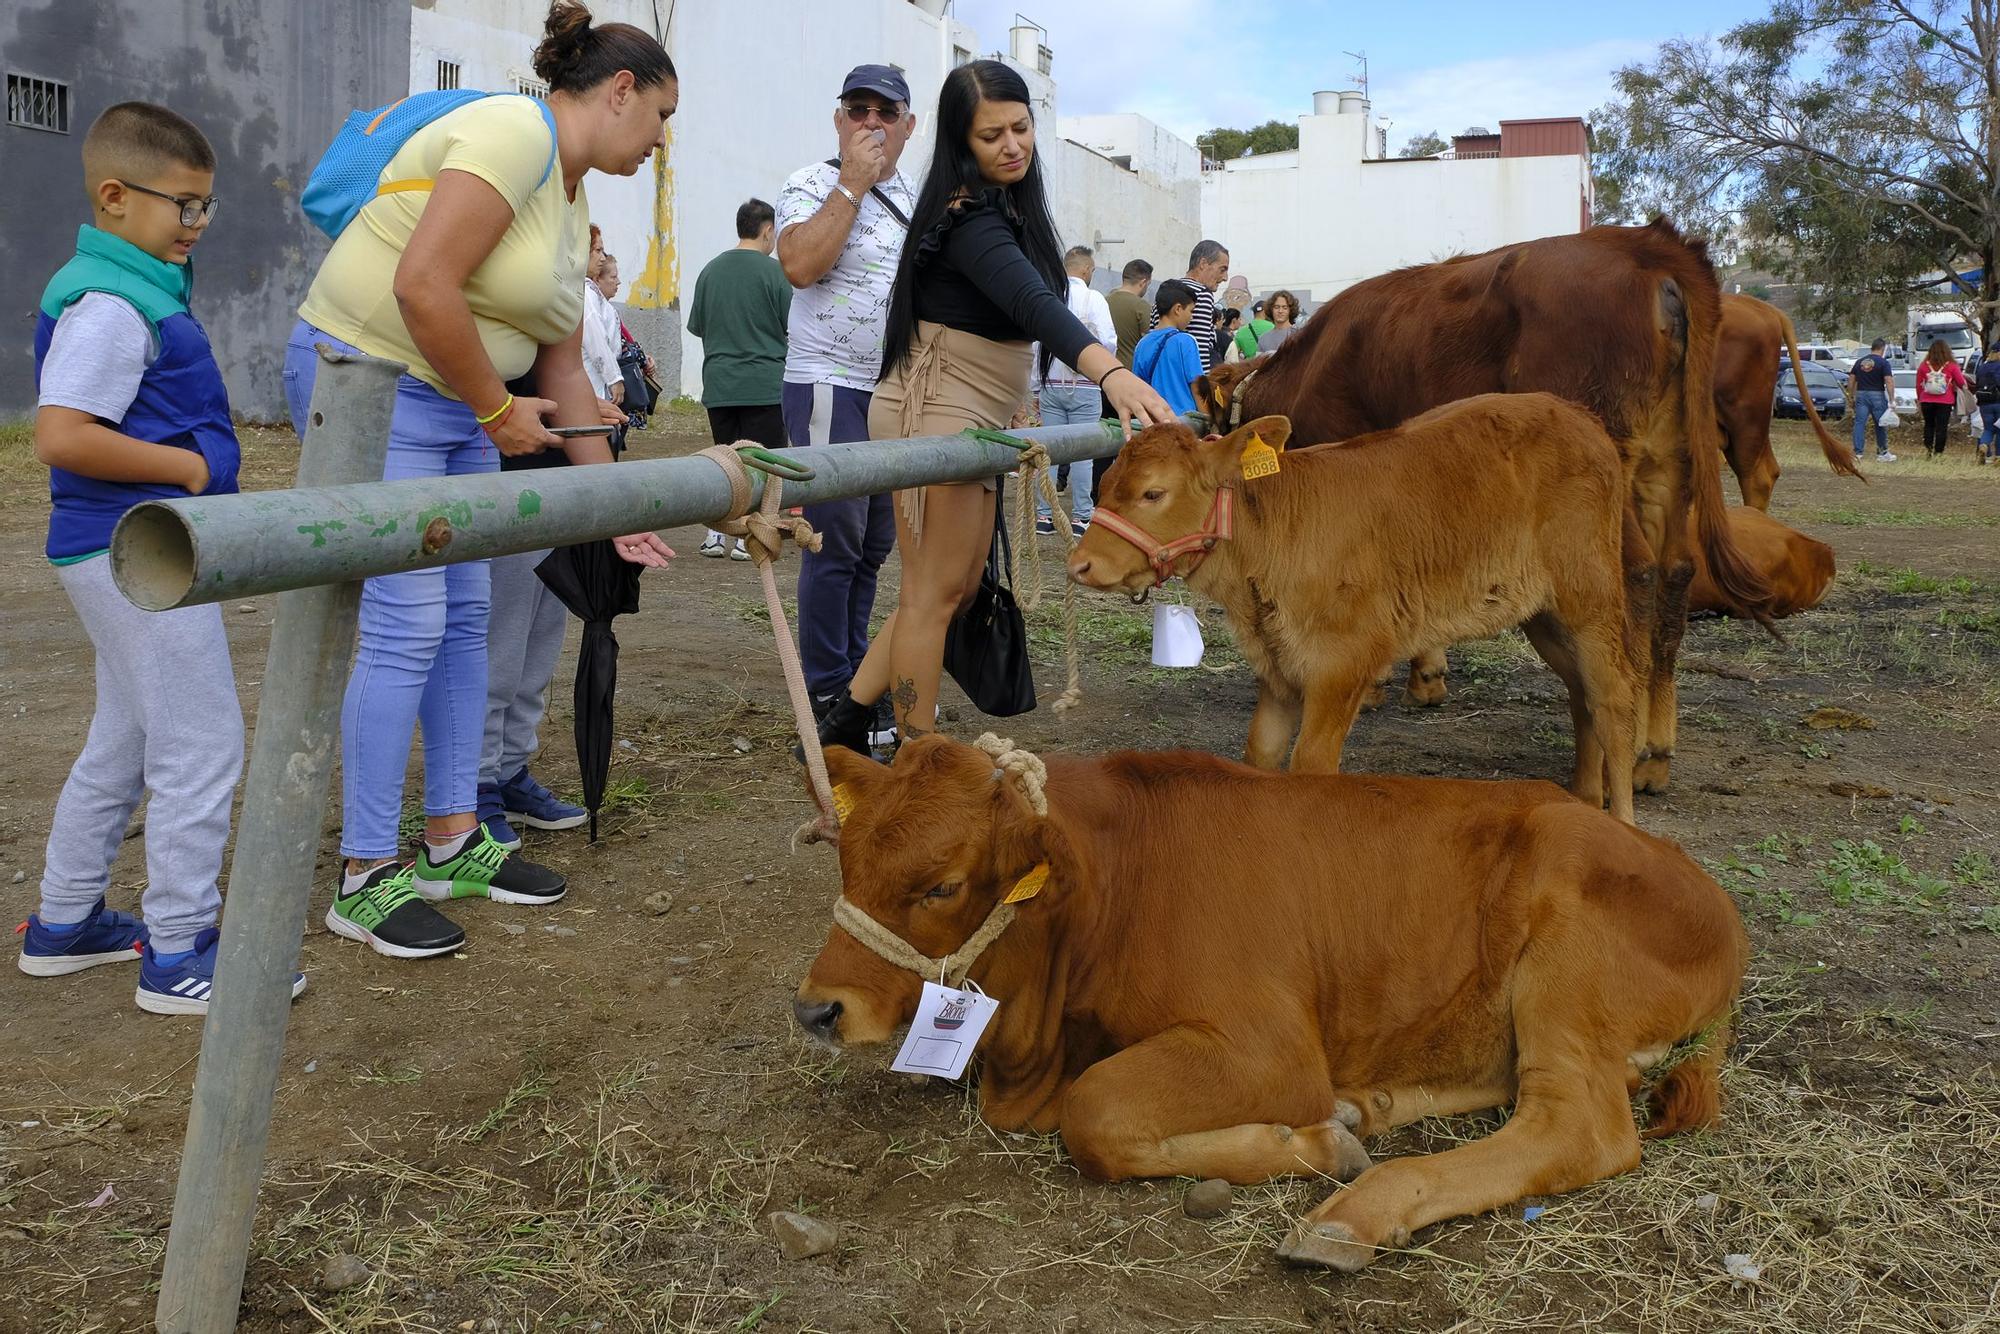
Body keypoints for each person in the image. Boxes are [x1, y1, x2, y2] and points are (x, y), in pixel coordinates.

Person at [284, 1, 677, 959]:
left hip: (455, 400)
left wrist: (606, 508)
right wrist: (498, 415)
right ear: (619, 91)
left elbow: (562, 364)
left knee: (463, 614)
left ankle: (453, 838)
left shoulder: (570, 192)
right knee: (407, 619)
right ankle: (365, 874)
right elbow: (423, 283)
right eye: (661, 118)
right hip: (370, 380)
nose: (662, 142)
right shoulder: (511, 133)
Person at [19, 103, 300, 1015]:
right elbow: (61, 436)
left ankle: (64, 925)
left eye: (205, 208)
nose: (196, 226)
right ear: (114, 197)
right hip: (132, 553)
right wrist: (190, 467)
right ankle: (178, 951)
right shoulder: (110, 303)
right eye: (184, 206)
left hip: (121, 549)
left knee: (130, 736)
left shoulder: (129, 285)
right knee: (202, 742)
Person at [810, 59, 1175, 754]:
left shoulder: (1008, 208)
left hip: (969, 408)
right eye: (990, 136)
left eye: (1021, 128)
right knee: (934, 594)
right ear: (960, 142)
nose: (1011, 145)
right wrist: (1110, 372)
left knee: (951, 589)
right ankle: (919, 755)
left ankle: (845, 724)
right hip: (934, 405)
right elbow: (1033, 305)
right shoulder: (968, 214)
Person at [473, 223, 634, 857]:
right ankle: (477, 784)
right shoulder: (498, 274)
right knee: (498, 642)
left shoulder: (565, 289)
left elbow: (564, 368)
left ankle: (511, 769)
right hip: (505, 479)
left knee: (542, 631)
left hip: (561, 479)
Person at [777, 64, 920, 747]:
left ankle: (853, 668)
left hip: (894, 391)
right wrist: (852, 186)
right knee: (833, 541)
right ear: (838, 120)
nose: (870, 122)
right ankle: (827, 683)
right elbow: (802, 265)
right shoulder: (809, 184)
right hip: (829, 380)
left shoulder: (922, 201)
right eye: (857, 110)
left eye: (884, 112)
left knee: (873, 545)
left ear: (907, 127)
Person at [688, 197, 791, 559]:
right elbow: (791, 326)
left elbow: (699, 327)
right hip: (764, 384)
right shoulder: (776, 273)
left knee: (725, 463)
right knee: (763, 466)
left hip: (720, 385)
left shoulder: (710, 271)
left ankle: (717, 536)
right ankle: (750, 539)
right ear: (767, 230)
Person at [1031, 244, 1116, 537]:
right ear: (1087, 269)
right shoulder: (1094, 299)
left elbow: (1034, 343)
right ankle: (1081, 517)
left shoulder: (1048, 296)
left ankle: (1044, 516)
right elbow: (1108, 341)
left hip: (1049, 383)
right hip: (1085, 383)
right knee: (1083, 453)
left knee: (1049, 451)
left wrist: (1034, 386)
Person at [1150, 239, 1229, 372]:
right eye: (1222, 270)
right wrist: (1202, 390)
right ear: (1203, 263)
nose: (1225, 277)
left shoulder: (1167, 290)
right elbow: (1201, 353)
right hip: (1185, 385)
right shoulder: (1203, 294)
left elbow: (1152, 339)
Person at [1131, 280, 1206, 415]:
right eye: (1191, 310)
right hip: (1183, 422)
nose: (1192, 316)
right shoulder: (1186, 341)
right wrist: (1209, 421)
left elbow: (1138, 388)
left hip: (1154, 420)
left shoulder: (1142, 344)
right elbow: (1197, 386)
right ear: (1178, 309)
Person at [1914, 338, 1969, 456]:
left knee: (1929, 425)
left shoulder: (1923, 366)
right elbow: (1961, 382)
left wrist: (1920, 398)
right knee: (1942, 427)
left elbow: (1919, 384)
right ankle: (1938, 452)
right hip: (1945, 400)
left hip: (1927, 400)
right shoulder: (1952, 366)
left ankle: (1928, 449)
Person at [1847, 339, 1898, 463]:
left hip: (1861, 394)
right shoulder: (1883, 363)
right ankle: (1882, 453)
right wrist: (1892, 399)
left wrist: (1851, 396)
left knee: (1859, 423)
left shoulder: (1859, 362)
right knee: (1881, 423)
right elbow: (1888, 381)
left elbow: (1851, 380)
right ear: (1882, 348)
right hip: (1877, 395)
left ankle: (1858, 453)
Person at [1105, 258, 1153, 366]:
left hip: (1106, 367)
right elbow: (1150, 344)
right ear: (1143, 282)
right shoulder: (1142, 306)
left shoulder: (1104, 301)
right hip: (1130, 371)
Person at [1975, 343, 2000, 463]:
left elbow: (1977, 383)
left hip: (1984, 403)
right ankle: (1998, 457)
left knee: (1988, 429)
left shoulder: (1982, 367)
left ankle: (1984, 445)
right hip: (1998, 402)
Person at [1256, 289, 1300, 353]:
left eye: (1284, 308)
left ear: (1290, 310)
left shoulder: (1299, 336)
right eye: (1276, 307)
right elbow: (1259, 362)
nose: (1280, 311)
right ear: (1271, 310)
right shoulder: (1263, 339)